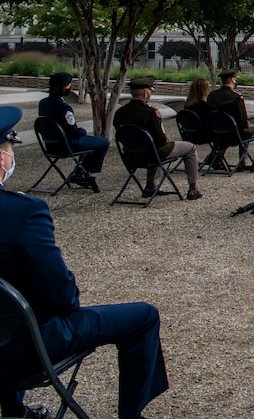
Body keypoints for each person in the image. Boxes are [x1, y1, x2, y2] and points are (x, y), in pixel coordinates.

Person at [0, 108, 170, 419]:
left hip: (8, 336)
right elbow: (63, 296)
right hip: (18, 353)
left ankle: (14, 411)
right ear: (1, 159)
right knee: (144, 317)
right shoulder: (23, 213)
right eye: (10, 148)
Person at [113, 76, 202, 200]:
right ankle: (193, 188)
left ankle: (151, 185)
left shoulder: (119, 113)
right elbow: (160, 140)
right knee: (190, 148)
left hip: (131, 155)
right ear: (145, 93)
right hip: (152, 155)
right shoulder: (150, 113)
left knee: (151, 146)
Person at [36, 72, 108, 193]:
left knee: (91, 143)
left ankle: (79, 173)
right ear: (62, 87)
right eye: (68, 85)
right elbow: (73, 131)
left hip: (50, 145)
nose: (70, 88)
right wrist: (83, 131)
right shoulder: (64, 108)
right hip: (67, 145)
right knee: (102, 142)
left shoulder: (43, 103)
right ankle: (84, 174)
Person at [207, 69, 254, 172]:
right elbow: (243, 122)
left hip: (216, 132)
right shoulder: (236, 98)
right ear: (233, 80)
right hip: (234, 134)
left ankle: (217, 158)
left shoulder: (211, 96)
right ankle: (253, 163)